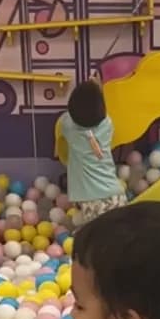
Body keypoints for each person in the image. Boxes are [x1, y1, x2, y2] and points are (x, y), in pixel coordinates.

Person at [55, 75, 126, 225]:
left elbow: (68, 117)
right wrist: (97, 87)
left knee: (97, 240)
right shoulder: (107, 125)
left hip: (92, 201)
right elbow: (98, 109)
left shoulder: (68, 127)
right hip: (116, 195)